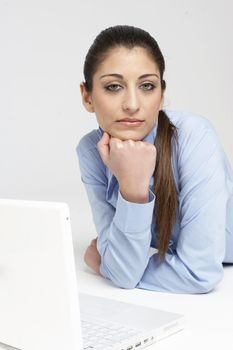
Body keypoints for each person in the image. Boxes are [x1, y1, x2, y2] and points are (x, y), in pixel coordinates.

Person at [76, 25, 233, 294]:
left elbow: (199, 272)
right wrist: (133, 189)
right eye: (113, 87)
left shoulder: (194, 136)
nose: (132, 104)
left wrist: (107, 267)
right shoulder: (91, 150)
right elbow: (124, 271)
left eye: (147, 86)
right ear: (87, 96)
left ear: (161, 94)